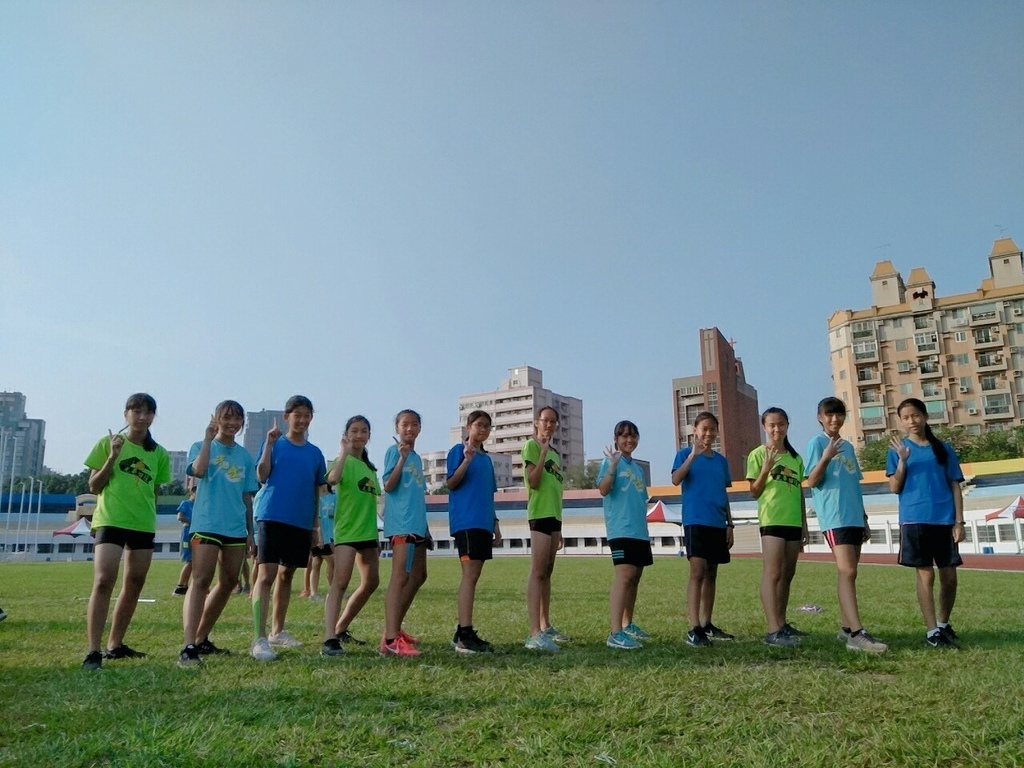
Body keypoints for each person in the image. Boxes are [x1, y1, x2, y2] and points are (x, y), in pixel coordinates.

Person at [82, 393, 171, 670]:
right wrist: (112, 456)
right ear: (126, 414)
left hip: (142, 524)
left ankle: (115, 645)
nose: (142, 417)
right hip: (111, 520)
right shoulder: (108, 443)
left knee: (135, 583)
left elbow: (154, 491)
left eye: (148, 412)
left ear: (154, 416)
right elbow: (94, 486)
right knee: (103, 581)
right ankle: (93, 651)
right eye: (136, 411)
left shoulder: (159, 453)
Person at [178, 401, 258, 666]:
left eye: (237, 418)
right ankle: (188, 646)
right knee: (201, 580)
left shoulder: (245, 456)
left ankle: (201, 638)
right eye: (227, 417)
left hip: (234, 527)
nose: (232, 423)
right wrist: (207, 438)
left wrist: (250, 532)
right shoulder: (201, 446)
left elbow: (247, 497)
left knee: (229, 582)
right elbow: (198, 471)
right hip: (207, 523)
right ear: (216, 419)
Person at [805, 397, 887, 653]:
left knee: (851, 573)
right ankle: (856, 634)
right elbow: (812, 481)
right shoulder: (817, 443)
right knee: (847, 571)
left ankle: (845, 627)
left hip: (853, 516)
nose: (834, 419)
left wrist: (864, 518)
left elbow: (854, 485)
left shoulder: (849, 447)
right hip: (835, 516)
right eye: (829, 414)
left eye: (839, 414)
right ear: (820, 417)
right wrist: (826, 457)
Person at [250, 395, 327, 661]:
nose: (302, 420)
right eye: (298, 415)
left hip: (301, 521)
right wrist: (269, 445)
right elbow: (261, 475)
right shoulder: (274, 443)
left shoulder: (315, 453)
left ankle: (277, 631)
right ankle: (259, 638)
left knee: (287, 575)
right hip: (272, 515)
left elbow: (317, 492)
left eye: (307, 415)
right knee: (266, 575)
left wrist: (316, 527)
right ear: (287, 417)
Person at [887, 397, 965, 649]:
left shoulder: (943, 449)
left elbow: (955, 485)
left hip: (944, 520)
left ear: (925, 416)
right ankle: (932, 632)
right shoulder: (897, 449)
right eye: (906, 417)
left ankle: (943, 624)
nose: (911, 421)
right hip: (914, 519)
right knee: (926, 576)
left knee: (949, 577)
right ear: (901, 421)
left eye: (915, 415)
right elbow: (894, 487)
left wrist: (959, 521)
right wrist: (902, 461)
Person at [671, 411, 735, 648]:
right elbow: (676, 479)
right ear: (695, 430)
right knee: (697, 571)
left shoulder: (721, 461)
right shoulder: (684, 454)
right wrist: (692, 456)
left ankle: (707, 623)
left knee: (711, 573)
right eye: (704, 429)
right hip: (695, 520)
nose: (708, 433)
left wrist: (730, 523)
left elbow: (723, 493)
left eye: (712, 429)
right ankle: (694, 627)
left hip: (717, 522)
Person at [747, 407, 808, 648]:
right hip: (772, 520)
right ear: (764, 427)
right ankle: (773, 630)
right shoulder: (757, 454)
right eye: (772, 425)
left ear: (787, 426)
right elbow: (754, 491)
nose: (776, 429)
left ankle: (782, 623)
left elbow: (800, 492)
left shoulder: (795, 458)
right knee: (772, 574)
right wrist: (765, 469)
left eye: (781, 424)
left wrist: (804, 525)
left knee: (787, 574)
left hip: (793, 522)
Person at [322, 416, 381, 656]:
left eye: (363, 431)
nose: (359, 435)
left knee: (372, 582)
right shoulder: (341, 461)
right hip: (347, 532)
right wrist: (344, 452)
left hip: (368, 533)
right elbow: (332, 480)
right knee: (340, 583)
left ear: (369, 436)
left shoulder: (370, 469)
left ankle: (341, 628)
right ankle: (329, 639)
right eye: (354, 431)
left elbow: (374, 501)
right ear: (346, 435)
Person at [446, 410, 502, 654]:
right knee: (469, 576)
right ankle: (465, 634)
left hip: (483, 523)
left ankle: (462, 630)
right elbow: (451, 483)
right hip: (466, 521)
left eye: (487, 426)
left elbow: (488, 494)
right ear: (468, 427)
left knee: (474, 576)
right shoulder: (458, 451)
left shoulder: (487, 460)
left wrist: (495, 523)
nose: (483, 429)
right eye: (479, 425)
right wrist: (466, 460)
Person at [380, 409, 429, 658]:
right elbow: (388, 485)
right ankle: (390, 639)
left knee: (419, 575)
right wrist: (401, 459)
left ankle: (396, 626)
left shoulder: (417, 458)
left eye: (414, 424)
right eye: (405, 424)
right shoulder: (393, 452)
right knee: (399, 577)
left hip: (418, 525)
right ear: (397, 428)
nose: (410, 429)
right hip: (402, 524)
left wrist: (426, 528)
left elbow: (417, 495)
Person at [599, 420, 652, 650]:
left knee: (635, 577)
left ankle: (627, 624)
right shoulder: (609, 461)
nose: (629, 440)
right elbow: (603, 489)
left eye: (633, 435)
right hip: (621, 529)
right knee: (624, 576)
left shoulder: (638, 469)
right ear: (616, 439)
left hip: (639, 531)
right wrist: (612, 467)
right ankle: (615, 633)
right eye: (624, 436)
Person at [523, 406, 568, 652]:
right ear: (536, 423)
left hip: (554, 518)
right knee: (538, 572)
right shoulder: (532, 446)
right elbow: (534, 481)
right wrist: (541, 453)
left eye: (553, 421)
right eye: (545, 420)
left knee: (547, 572)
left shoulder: (556, 454)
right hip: (539, 515)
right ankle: (534, 633)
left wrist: (560, 527)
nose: (549, 425)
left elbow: (556, 491)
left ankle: (545, 624)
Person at [302, 485, 336, 600]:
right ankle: (333, 590)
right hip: (320, 537)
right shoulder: (316, 500)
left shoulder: (334, 497)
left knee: (316, 563)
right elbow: (317, 519)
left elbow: (339, 513)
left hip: (331, 535)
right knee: (332, 562)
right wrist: (320, 537)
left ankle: (314, 593)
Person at [172, 487, 196, 596]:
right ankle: (180, 586)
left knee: (195, 560)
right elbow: (180, 516)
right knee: (189, 560)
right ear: (192, 492)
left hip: (196, 534)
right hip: (187, 533)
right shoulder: (186, 503)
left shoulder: (198, 505)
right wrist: (191, 522)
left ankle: (187, 586)